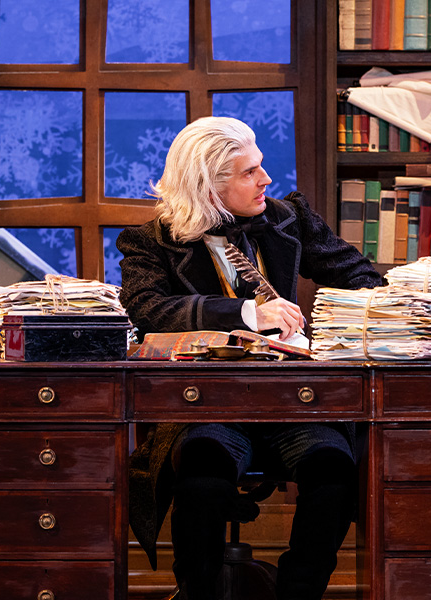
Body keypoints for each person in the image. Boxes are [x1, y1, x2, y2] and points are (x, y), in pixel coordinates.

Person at [117, 116, 383, 600]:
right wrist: (245, 313)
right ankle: (199, 592)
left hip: (293, 400)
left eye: (260, 167)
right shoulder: (150, 241)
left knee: (334, 472)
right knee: (200, 473)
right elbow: (148, 310)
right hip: (206, 404)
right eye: (248, 172)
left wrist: (382, 314)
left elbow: (361, 278)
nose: (266, 180)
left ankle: (299, 593)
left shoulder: (288, 217)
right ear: (208, 184)